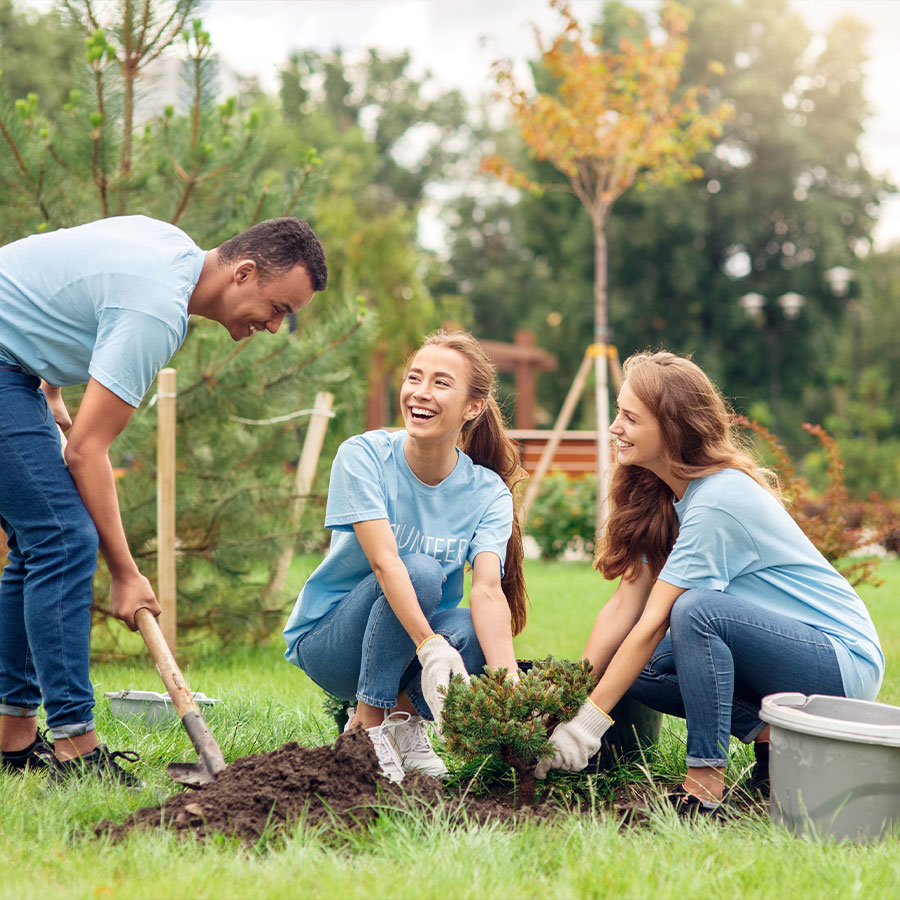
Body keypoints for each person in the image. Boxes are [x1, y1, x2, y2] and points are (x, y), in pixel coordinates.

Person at [0, 215, 327, 784]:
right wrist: (126, 575)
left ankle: (12, 740)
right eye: (278, 308)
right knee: (62, 538)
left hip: (16, 367)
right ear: (244, 272)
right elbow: (86, 453)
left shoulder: (171, 246)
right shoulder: (156, 309)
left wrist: (51, 384)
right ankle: (76, 750)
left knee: (38, 543)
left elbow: (59, 278)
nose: (276, 326)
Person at [535, 351, 884, 815]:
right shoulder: (662, 495)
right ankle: (776, 741)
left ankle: (703, 781)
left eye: (629, 417)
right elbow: (625, 607)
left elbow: (655, 620)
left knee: (697, 611)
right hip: (784, 658)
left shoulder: (718, 499)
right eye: (618, 412)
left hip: (840, 661)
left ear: (672, 429)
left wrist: (586, 727)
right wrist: (565, 700)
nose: (615, 427)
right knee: (636, 666)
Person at [283, 329, 527, 781]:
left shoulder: (487, 491)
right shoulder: (364, 456)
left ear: (473, 407)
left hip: (407, 646)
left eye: (440, 382)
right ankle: (367, 728)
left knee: (475, 631)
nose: (420, 392)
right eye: (415, 378)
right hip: (334, 643)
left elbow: (489, 592)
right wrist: (431, 645)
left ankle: (403, 722)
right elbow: (385, 563)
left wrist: (511, 693)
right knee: (420, 569)